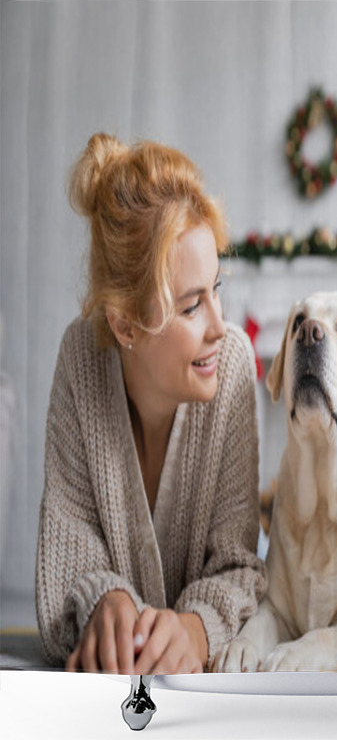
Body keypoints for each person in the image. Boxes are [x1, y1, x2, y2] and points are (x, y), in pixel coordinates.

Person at [35, 133, 267, 675]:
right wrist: (105, 602)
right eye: (191, 307)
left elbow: (239, 564)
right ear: (125, 326)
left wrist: (195, 629)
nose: (218, 326)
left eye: (217, 289)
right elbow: (66, 547)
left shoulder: (231, 364)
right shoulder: (81, 359)